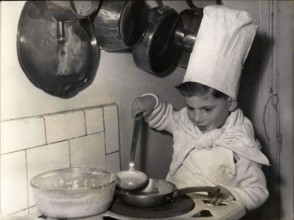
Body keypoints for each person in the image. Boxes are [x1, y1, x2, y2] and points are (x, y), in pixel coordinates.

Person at [131, 5, 269, 212]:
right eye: (190, 108)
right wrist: (151, 103)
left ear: (230, 103)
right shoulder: (186, 120)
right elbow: (167, 116)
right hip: (176, 208)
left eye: (207, 109)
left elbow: (258, 190)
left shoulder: (240, 143)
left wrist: (233, 194)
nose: (196, 118)